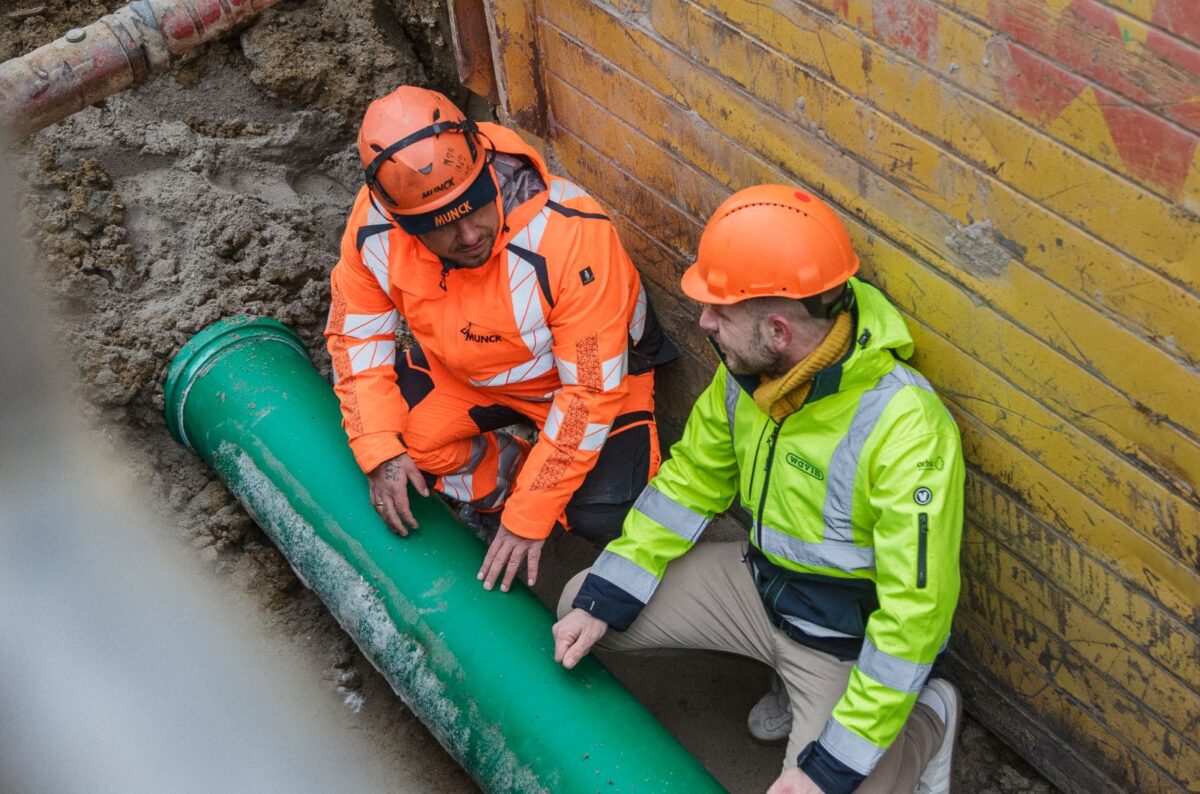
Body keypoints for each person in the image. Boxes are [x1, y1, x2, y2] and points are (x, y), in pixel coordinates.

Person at [552, 185, 964, 793]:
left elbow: (914, 618)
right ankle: (784, 681)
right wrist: (612, 589)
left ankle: (929, 722)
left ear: (778, 330)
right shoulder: (748, 373)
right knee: (582, 606)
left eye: (720, 311)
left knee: (842, 784)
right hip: (759, 588)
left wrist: (827, 771)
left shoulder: (908, 429)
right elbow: (690, 482)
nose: (704, 322)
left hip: (841, 641)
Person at [325, 86, 675, 592]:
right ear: (401, 222)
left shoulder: (568, 235)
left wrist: (530, 517)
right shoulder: (372, 228)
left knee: (611, 514)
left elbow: (589, 394)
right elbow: (354, 339)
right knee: (394, 445)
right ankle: (506, 477)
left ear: (487, 169)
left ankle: (538, 492)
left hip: (590, 384)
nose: (469, 235)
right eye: (439, 226)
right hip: (470, 375)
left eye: (474, 207)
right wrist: (379, 450)